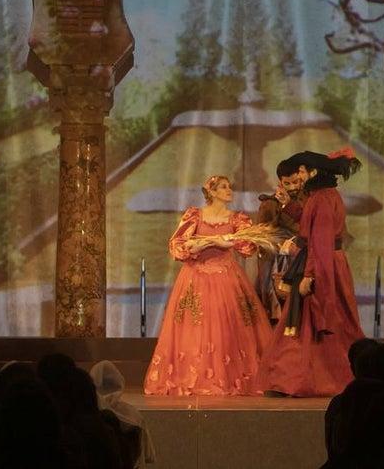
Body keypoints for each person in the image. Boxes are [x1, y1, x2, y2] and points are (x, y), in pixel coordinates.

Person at [143, 175, 273, 395]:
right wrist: (195, 247)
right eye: (223, 187)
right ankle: (193, 377)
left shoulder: (237, 218)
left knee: (226, 327)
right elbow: (177, 245)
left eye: (229, 187)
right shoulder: (195, 215)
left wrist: (227, 241)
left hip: (226, 277)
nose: (229, 190)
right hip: (196, 277)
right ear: (212, 192)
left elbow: (248, 247)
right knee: (195, 327)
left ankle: (228, 377)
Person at [254, 148, 365, 398]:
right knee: (310, 323)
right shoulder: (322, 196)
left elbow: (321, 240)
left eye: (302, 172)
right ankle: (294, 379)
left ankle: (299, 380)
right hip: (324, 262)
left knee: (318, 322)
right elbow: (310, 224)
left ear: (313, 172)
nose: (299, 177)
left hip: (323, 265)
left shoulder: (323, 198)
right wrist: (288, 206)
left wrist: (310, 275)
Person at [254, 158, 309, 324]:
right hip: (279, 263)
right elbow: (263, 236)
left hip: (305, 258)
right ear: (280, 183)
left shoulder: (310, 200)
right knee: (279, 306)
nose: (292, 187)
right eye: (287, 183)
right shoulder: (270, 204)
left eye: (296, 182)